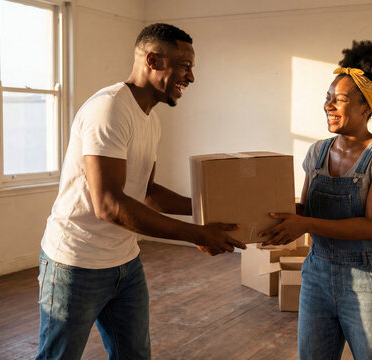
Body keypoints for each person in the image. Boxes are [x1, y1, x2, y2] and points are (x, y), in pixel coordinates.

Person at [36, 23, 245, 360]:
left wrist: (209, 209)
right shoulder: (109, 109)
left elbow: (147, 193)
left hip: (125, 263)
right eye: (185, 66)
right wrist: (195, 233)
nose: (191, 78)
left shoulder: (150, 118)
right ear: (153, 60)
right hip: (76, 265)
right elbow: (108, 204)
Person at [259, 40, 372, 360]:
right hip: (318, 272)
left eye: (338, 100)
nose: (328, 106)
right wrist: (263, 215)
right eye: (327, 98)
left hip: (369, 278)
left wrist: (304, 223)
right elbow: (305, 210)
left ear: (365, 108)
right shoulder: (318, 151)